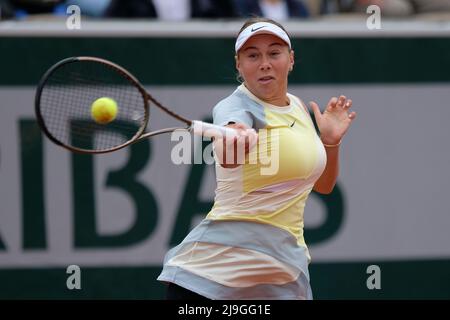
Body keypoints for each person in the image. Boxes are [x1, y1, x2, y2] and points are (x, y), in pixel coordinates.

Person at [158, 17, 356, 300]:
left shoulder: (298, 107)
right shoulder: (233, 107)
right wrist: (235, 139)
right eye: (253, 55)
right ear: (239, 64)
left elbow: (323, 186)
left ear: (291, 59)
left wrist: (330, 143)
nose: (264, 63)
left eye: (274, 53)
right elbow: (228, 153)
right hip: (211, 281)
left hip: (283, 276)